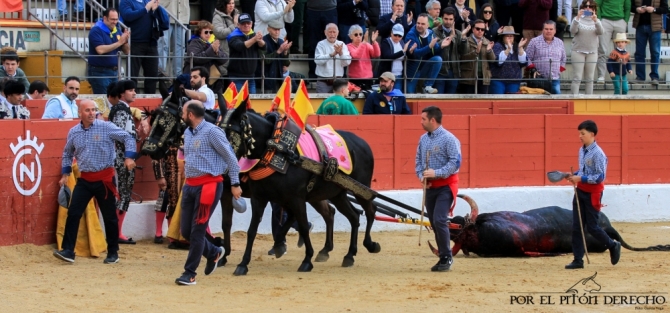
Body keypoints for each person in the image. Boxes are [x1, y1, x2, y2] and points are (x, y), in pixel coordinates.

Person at [53, 99, 138, 264]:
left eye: (94, 110)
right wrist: (65, 174)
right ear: (80, 113)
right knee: (74, 213)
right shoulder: (74, 132)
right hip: (84, 179)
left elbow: (128, 137)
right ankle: (68, 251)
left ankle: (113, 252)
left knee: (109, 217)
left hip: (104, 179)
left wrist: (129, 157)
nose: (92, 113)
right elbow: (67, 153)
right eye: (88, 110)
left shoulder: (105, 127)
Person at [175, 100, 241, 285]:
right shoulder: (187, 132)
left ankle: (190, 273)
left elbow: (230, 157)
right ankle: (213, 252)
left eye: (183, 112)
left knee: (197, 231)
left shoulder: (213, 131)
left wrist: (235, 182)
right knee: (186, 231)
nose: (181, 115)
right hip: (190, 185)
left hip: (209, 185)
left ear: (190, 115)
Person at [564, 120, 621, 269]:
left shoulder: (599, 154)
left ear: (592, 134)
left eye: (582, 134)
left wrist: (580, 178)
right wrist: (573, 175)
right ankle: (578, 260)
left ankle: (612, 244)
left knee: (592, 227)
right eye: (579, 133)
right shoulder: (582, 150)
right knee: (577, 227)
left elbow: (600, 177)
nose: (580, 136)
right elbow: (583, 171)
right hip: (580, 191)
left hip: (593, 193)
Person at [415, 105, 460, 272]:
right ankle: (443, 256)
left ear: (432, 120)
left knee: (440, 219)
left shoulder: (449, 139)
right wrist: (422, 176)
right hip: (431, 187)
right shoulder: (423, 139)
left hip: (446, 186)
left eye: (423, 119)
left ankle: (446, 256)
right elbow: (418, 161)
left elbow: (455, 163)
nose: (421, 122)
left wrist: (436, 172)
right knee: (434, 221)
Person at [108, 80, 143, 245]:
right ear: (122, 94)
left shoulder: (122, 109)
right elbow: (119, 134)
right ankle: (116, 233)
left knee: (123, 193)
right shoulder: (121, 110)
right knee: (124, 193)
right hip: (122, 159)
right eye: (131, 90)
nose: (134, 93)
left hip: (121, 157)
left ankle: (117, 232)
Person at [119, 0, 169, 94]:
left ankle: (150, 102)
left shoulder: (148, 1)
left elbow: (165, 21)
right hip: (134, 43)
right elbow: (128, 16)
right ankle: (133, 100)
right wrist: (146, 9)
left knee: (152, 76)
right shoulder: (126, 1)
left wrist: (157, 8)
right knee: (132, 76)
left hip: (152, 43)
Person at [88, 8, 130, 95]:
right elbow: (100, 50)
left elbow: (127, 51)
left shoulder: (117, 30)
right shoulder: (96, 30)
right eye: (112, 19)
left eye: (116, 19)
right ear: (105, 18)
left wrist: (125, 41)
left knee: (114, 100)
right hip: (100, 72)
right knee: (104, 101)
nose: (115, 22)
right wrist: (120, 42)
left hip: (115, 72)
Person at [227, 13, 266, 94]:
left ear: (251, 24)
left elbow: (264, 47)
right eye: (243, 23)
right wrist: (255, 39)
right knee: (238, 103)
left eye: (248, 23)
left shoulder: (253, 35)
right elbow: (240, 46)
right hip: (236, 77)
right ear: (238, 25)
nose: (246, 25)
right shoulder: (233, 36)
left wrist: (260, 40)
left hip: (251, 77)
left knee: (251, 103)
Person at [405, 13, 444, 94]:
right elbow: (416, 54)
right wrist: (429, 47)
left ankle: (428, 86)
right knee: (410, 94)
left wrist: (441, 46)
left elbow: (435, 49)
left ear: (428, 25)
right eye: (418, 23)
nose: (419, 25)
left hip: (424, 67)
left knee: (438, 59)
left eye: (422, 24)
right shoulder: (411, 34)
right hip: (413, 70)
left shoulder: (431, 33)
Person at [631, 0, 668, 85]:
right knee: (639, 53)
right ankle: (640, 77)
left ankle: (654, 77)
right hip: (640, 26)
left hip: (655, 28)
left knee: (655, 52)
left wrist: (654, 10)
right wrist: (637, 9)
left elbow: (666, 9)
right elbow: (630, 7)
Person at [570, 1, 603, 95]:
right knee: (577, 78)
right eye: (586, 6)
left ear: (594, 8)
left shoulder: (597, 20)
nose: (588, 8)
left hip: (592, 52)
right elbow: (572, 31)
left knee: (590, 79)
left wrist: (596, 20)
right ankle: (574, 100)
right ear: (582, 7)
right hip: (578, 51)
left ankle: (589, 101)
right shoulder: (577, 19)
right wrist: (577, 18)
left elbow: (601, 32)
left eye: (591, 6)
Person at [526, 20, 566, 94]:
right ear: (542, 30)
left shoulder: (560, 42)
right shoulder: (534, 41)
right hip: (539, 79)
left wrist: (558, 70)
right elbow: (527, 57)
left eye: (551, 29)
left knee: (557, 100)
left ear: (555, 31)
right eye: (546, 29)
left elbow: (563, 58)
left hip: (555, 78)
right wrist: (532, 69)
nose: (548, 31)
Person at [433, 8, 467, 94]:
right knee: (439, 99)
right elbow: (434, 47)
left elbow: (463, 52)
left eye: (450, 19)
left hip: (454, 71)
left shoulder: (458, 33)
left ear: (454, 20)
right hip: (439, 71)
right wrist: (451, 37)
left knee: (450, 100)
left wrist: (463, 39)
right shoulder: (435, 31)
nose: (448, 21)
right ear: (442, 18)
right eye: (446, 19)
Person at [595, 0, 630, 83]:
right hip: (605, 20)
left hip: (620, 21)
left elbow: (628, 7)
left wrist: (625, 21)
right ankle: (601, 76)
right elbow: (597, 4)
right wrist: (600, 19)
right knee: (602, 50)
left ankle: (621, 75)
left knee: (621, 52)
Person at [459, 19, 496, 94]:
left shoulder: (487, 42)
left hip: (484, 78)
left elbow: (493, 60)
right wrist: (476, 52)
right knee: (468, 103)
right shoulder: (466, 40)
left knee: (483, 104)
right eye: (478, 29)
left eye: (482, 29)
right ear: (473, 29)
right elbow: (462, 58)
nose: (480, 31)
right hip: (468, 78)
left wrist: (489, 51)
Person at [315, 23, 352, 93]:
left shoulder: (342, 44)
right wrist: (332, 54)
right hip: (323, 82)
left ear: (338, 33)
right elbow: (318, 60)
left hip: (338, 82)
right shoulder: (320, 44)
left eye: (334, 32)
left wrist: (341, 53)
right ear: (325, 32)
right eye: (330, 32)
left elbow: (348, 62)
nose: (332, 34)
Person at [306, 0, 339, 78]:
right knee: (312, 44)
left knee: (331, 43)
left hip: (330, 9)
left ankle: (331, 74)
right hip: (312, 9)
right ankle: (313, 75)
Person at [490, 26, 528, 94]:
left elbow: (523, 63)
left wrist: (520, 48)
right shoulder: (497, 46)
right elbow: (498, 62)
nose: (509, 38)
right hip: (498, 80)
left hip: (514, 81)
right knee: (499, 101)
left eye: (511, 36)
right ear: (503, 37)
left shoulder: (517, 46)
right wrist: (508, 50)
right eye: (507, 36)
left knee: (511, 102)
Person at [158, 0, 189, 79]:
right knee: (163, 44)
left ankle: (178, 74)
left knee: (180, 46)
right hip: (166, 13)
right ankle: (160, 71)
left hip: (182, 16)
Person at [260, 19, 292, 93]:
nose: (277, 32)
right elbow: (265, 60)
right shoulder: (263, 41)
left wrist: (285, 52)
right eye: (275, 29)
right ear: (268, 29)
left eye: (278, 30)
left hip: (278, 79)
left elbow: (286, 64)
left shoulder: (281, 41)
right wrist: (279, 51)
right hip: (267, 80)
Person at [212, 0, 239, 89]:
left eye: (233, 3)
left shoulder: (237, 15)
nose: (231, 6)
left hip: (236, 51)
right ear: (224, 4)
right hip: (224, 51)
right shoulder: (217, 17)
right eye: (229, 3)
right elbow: (219, 33)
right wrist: (234, 25)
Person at [347, 26, 381, 90]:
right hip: (355, 79)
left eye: (360, 34)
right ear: (350, 36)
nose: (358, 36)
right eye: (356, 34)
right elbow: (356, 56)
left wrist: (374, 42)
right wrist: (364, 43)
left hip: (368, 78)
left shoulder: (366, 45)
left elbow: (376, 54)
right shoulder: (349, 47)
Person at [378, 24, 410, 90]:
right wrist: (403, 51)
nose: (397, 37)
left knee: (397, 95)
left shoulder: (402, 43)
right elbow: (387, 56)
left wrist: (410, 51)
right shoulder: (386, 42)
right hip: (388, 75)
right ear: (391, 33)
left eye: (400, 36)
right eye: (395, 35)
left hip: (399, 74)